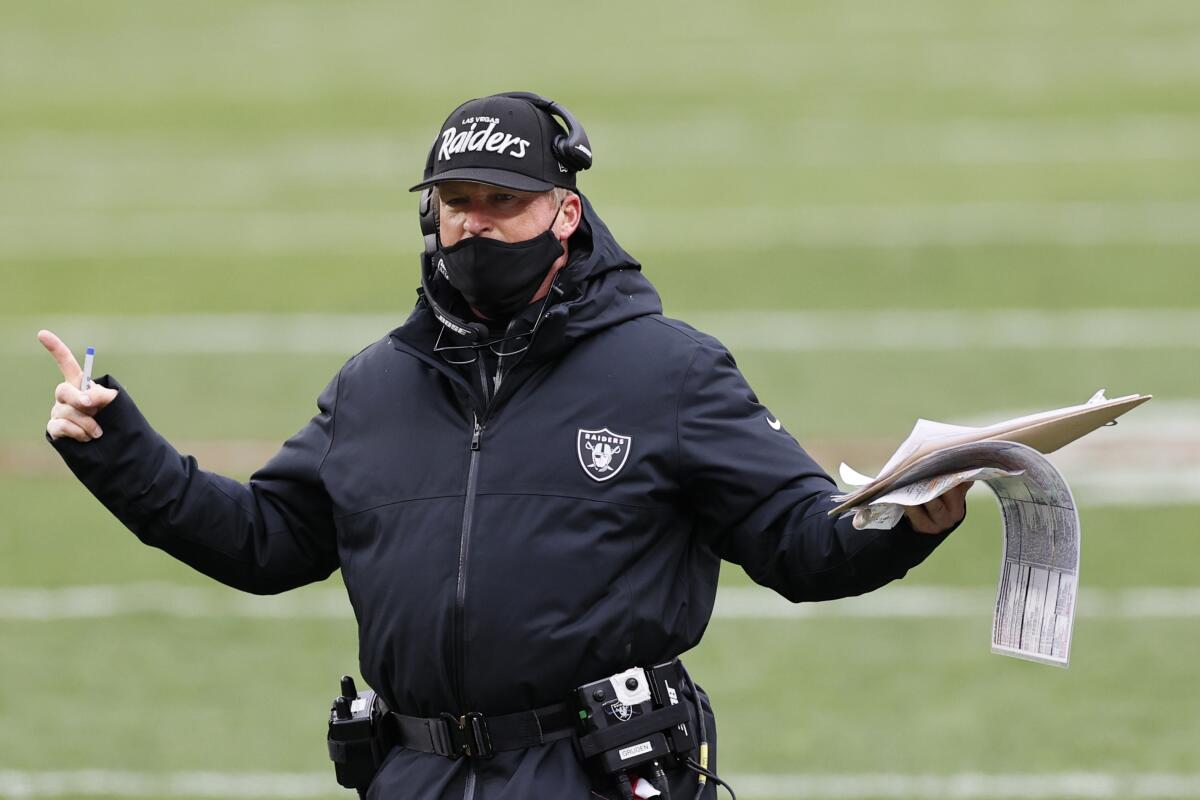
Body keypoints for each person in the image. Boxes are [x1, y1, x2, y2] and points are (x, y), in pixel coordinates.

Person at [40, 92, 970, 800]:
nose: (477, 223)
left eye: (504, 201)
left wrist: (905, 522)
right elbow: (264, 542)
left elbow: (798, 541)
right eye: (457, 201)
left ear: (565, 214)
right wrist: (119, 444)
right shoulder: (373, 388)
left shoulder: (669, 371)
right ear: (429, 214)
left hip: (597, 773)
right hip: (413, 774)